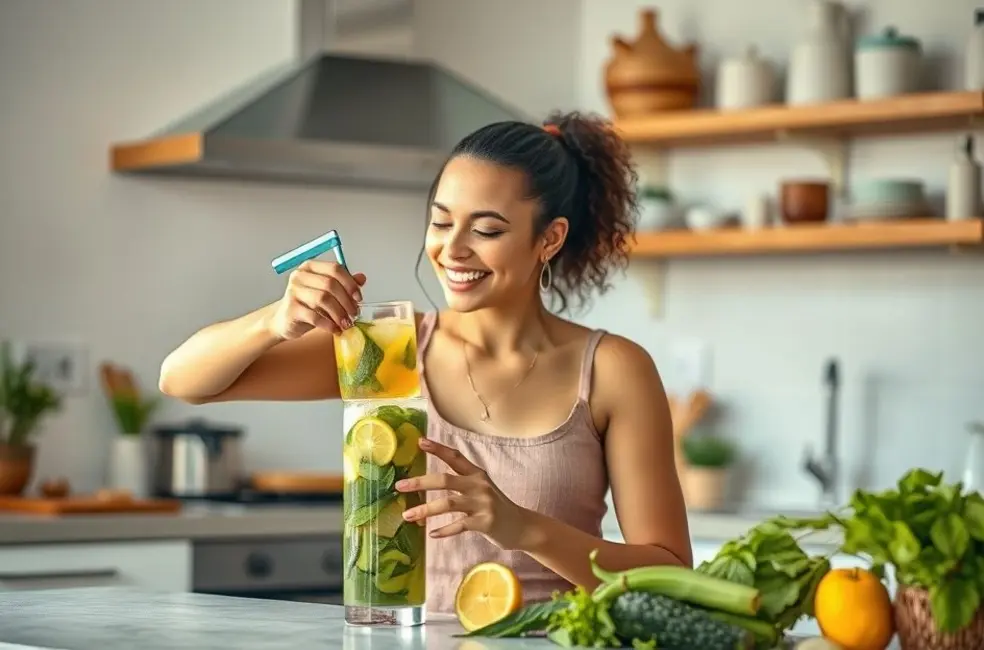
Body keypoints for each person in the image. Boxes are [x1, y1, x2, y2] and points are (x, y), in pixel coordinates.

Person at [159, 110, 692, 615]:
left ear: (548, 238)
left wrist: (522, 527)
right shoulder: (389, 346)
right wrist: (275, 321)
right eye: (441, 224)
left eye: (486, 230)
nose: (452, 250)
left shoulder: (613, 370)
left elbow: (671, 573)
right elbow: (183, 380)